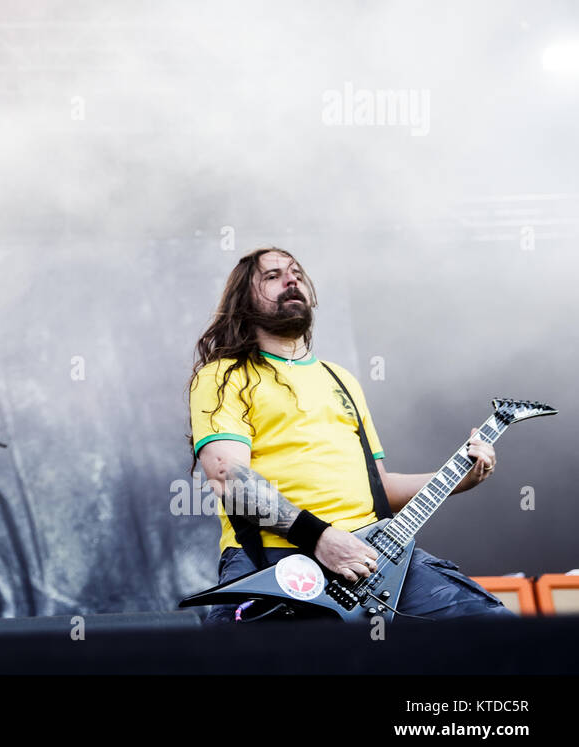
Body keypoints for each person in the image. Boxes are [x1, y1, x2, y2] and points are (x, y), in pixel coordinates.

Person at [187, 246, 508, 622]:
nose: (291, 280)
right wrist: (319, 537)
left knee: (500, 636)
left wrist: (459, 477)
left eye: (297, 274)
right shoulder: (224, 376)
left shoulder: (341, 379)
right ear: (243, 302)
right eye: (272, 276)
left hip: (375, 555)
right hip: (277, 557)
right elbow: (229, 477)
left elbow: (381, 489)